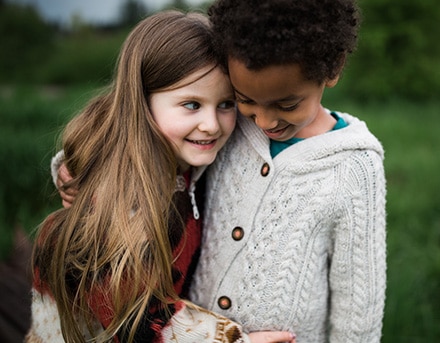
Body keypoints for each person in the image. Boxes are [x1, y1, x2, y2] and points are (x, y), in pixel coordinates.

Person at [54, 0, 387, 341]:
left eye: (287, 105)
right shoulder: (230, 124)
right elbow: (137, 119)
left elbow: (358, 298)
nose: (266, 121)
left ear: (333, 70)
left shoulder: (354, 165)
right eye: (244, 99)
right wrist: (85, 172)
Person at [26, 10, 295, 343]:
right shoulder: (122, 204)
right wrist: (235, 341)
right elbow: (134, 317)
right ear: (142, 102)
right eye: (192, 105)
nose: (211, 124)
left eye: (226, 104)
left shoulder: (168, 157)